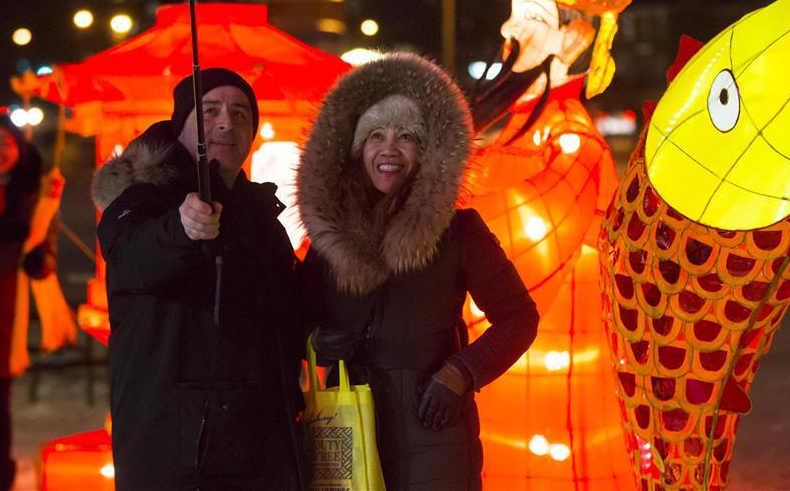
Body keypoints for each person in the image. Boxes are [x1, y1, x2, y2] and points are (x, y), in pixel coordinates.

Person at [297, 53, 540, 491]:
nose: (389, 148)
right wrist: (315, 337)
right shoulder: (327, 241)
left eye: (406, 135)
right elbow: (292, 317)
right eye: (376, 135)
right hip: (346, 430)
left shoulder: (458, 232)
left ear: (426, 151)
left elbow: (519, 318)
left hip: (434, 432)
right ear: (356, 150)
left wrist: (459, 374)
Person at [93, 68, 303, 491]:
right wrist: (181, 228)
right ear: (181, 126)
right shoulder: (141, 201)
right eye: (210, 111)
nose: (227, 122)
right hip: (177, 454)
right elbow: (134, 256)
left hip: (260, 445)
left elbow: (293, 312)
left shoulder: (260, 215)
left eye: (241, 113)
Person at [0, 113, 61, 491]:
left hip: (6, 301)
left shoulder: (34, 193)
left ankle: (1, 476)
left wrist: (40, 258)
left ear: (18, 146)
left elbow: (46, 249)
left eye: (5, 144)